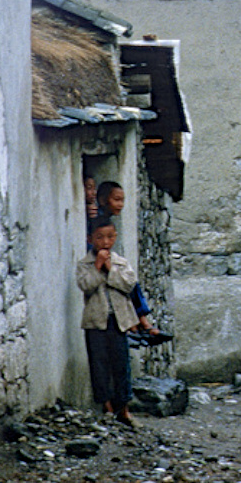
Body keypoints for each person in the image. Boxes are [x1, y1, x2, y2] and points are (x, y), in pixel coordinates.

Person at [77, 216, 139, 427]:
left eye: (110, 237)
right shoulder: (85, 265)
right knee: (99, 364)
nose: (105, 242)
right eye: (100, 237)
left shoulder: (121, 263)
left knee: (121, 364)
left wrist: (110, 269)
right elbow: (85, 285)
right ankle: (106, 406)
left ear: (115, 237)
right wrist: (97, 267)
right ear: (90, 238)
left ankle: (124, 407)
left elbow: (129, 284)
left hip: (118, 321)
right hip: (95, 322)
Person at [93, 181, 171, 347]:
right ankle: (136, 326)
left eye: (122, 200)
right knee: (123, 283)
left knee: (129, 282)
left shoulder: (105, 218)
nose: (120, 205)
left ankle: (139, 325)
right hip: (97, 265)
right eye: (116, 199)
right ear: (102, 200)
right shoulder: (95, 218)